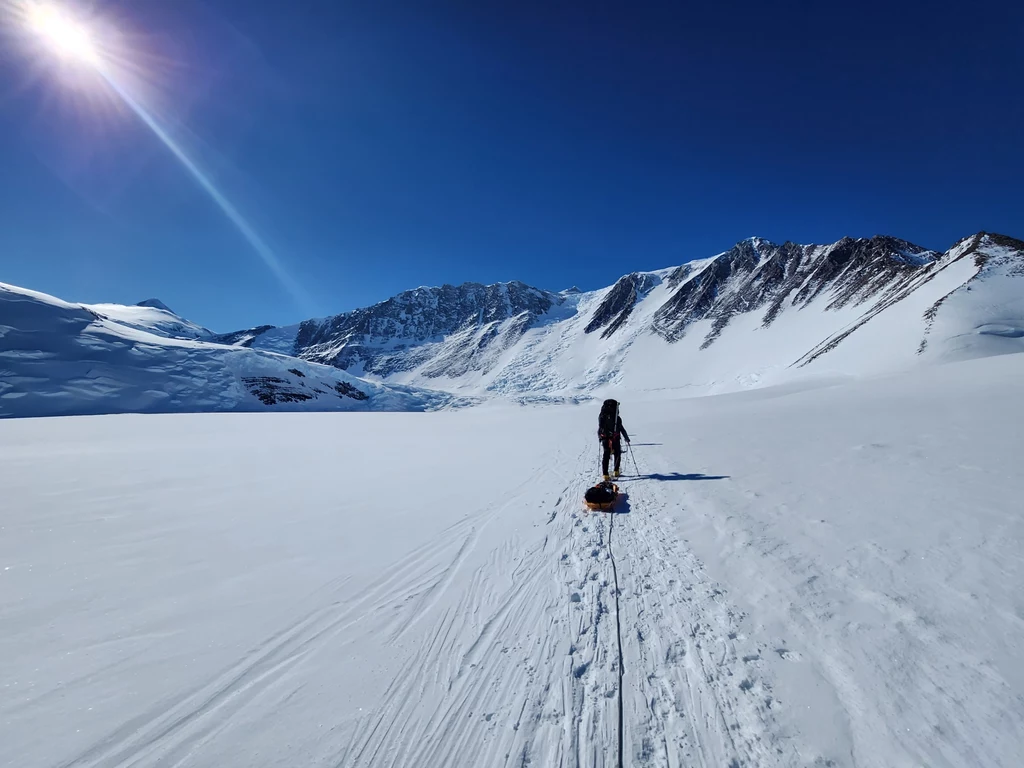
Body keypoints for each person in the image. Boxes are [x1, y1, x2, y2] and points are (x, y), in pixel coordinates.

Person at [598, 398, 630, 480]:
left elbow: (600, 428)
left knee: (606, 454)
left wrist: (600, 436)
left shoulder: (602, 417)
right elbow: (621, 429)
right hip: (615, 438)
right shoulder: (617, 418)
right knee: (617, 453)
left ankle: (605, 474)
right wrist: (626, 438)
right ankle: (616, 471)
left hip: (605, 438)